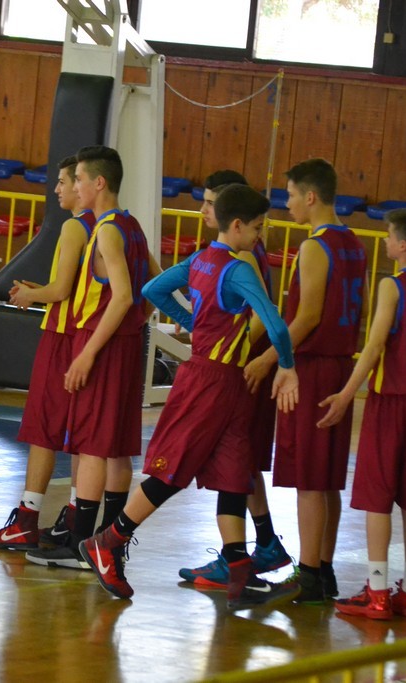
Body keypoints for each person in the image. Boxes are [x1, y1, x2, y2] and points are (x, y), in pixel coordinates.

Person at [79, 183, 301, 608]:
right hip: (210, 382)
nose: (260, 236)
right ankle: (108, 541)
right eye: (258, 227)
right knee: (173, 470)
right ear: (238, 225)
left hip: (224, 381)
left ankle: (239, 574)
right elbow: (275, 322)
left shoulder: (200, 260)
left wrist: (193, 320)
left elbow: (153, 290)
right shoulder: (239, 268)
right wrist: (287, 367)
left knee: (234, 475)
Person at [25, 145, 160, 569]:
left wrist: (87, 352)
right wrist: (136, 322)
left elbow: (121, 296)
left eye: (79, 179)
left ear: (98, 183)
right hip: (125, 342)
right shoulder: (131, 226)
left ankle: (81, 543)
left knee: (92, 446)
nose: (75, 186)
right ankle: (107, 540)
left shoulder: (106, 230)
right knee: (115, 447)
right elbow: (155, 285)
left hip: (102, 342)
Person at [244, 158, 366, 603]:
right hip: (340, 363)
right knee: (326, 478)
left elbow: (309, 315)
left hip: (313, 368)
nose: (288, 203)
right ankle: (323, 570)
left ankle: (309, 574)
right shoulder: (354, 243)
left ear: (311, 197)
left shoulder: (316, 246)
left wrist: (270, 358)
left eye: (292, 195)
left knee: (309, 480)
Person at [322, 208, 406, 620]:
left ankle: (377, 591)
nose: (384, 242)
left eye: (389, 236)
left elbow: (375, 346)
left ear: (403, 246)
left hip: (391, 400)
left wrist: (346, 394)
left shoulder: (392, 286)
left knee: (378, 499)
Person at [178, 170, 293, 589]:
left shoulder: (241, 256)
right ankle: (261, 544)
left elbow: (265, 315)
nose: (203, 210)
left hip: (240, 367)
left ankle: (245, 553)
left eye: (210, 203)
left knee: (229, 461)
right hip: (242, 363)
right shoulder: (229, 253)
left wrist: (244, 351)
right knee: (240, 460)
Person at [0, 156, 96, 550]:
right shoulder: (111, 225)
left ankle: (26, 519)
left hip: (62, 336)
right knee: (81, 436)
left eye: (64, 181)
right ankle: (76, 519)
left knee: (43, 429)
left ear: (82, 184)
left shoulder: (76, 226)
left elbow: (61, 290)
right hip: (87, 336)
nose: (58, 189)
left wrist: (32, 294)